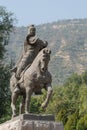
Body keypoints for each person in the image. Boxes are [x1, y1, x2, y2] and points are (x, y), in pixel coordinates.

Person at [11, 24, 48, 93]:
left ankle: (39, 87)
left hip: (36, 59)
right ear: (28, 31)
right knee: (20, 69)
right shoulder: (29, 39)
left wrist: (44, 44)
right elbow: (24, 52)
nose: (33, 31)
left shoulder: (38, 41)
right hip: (27, 58)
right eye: (31, 30)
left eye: (34, 30)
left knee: (42, 69)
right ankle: (16, 85)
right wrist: (18, 63)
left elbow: (43, 46)